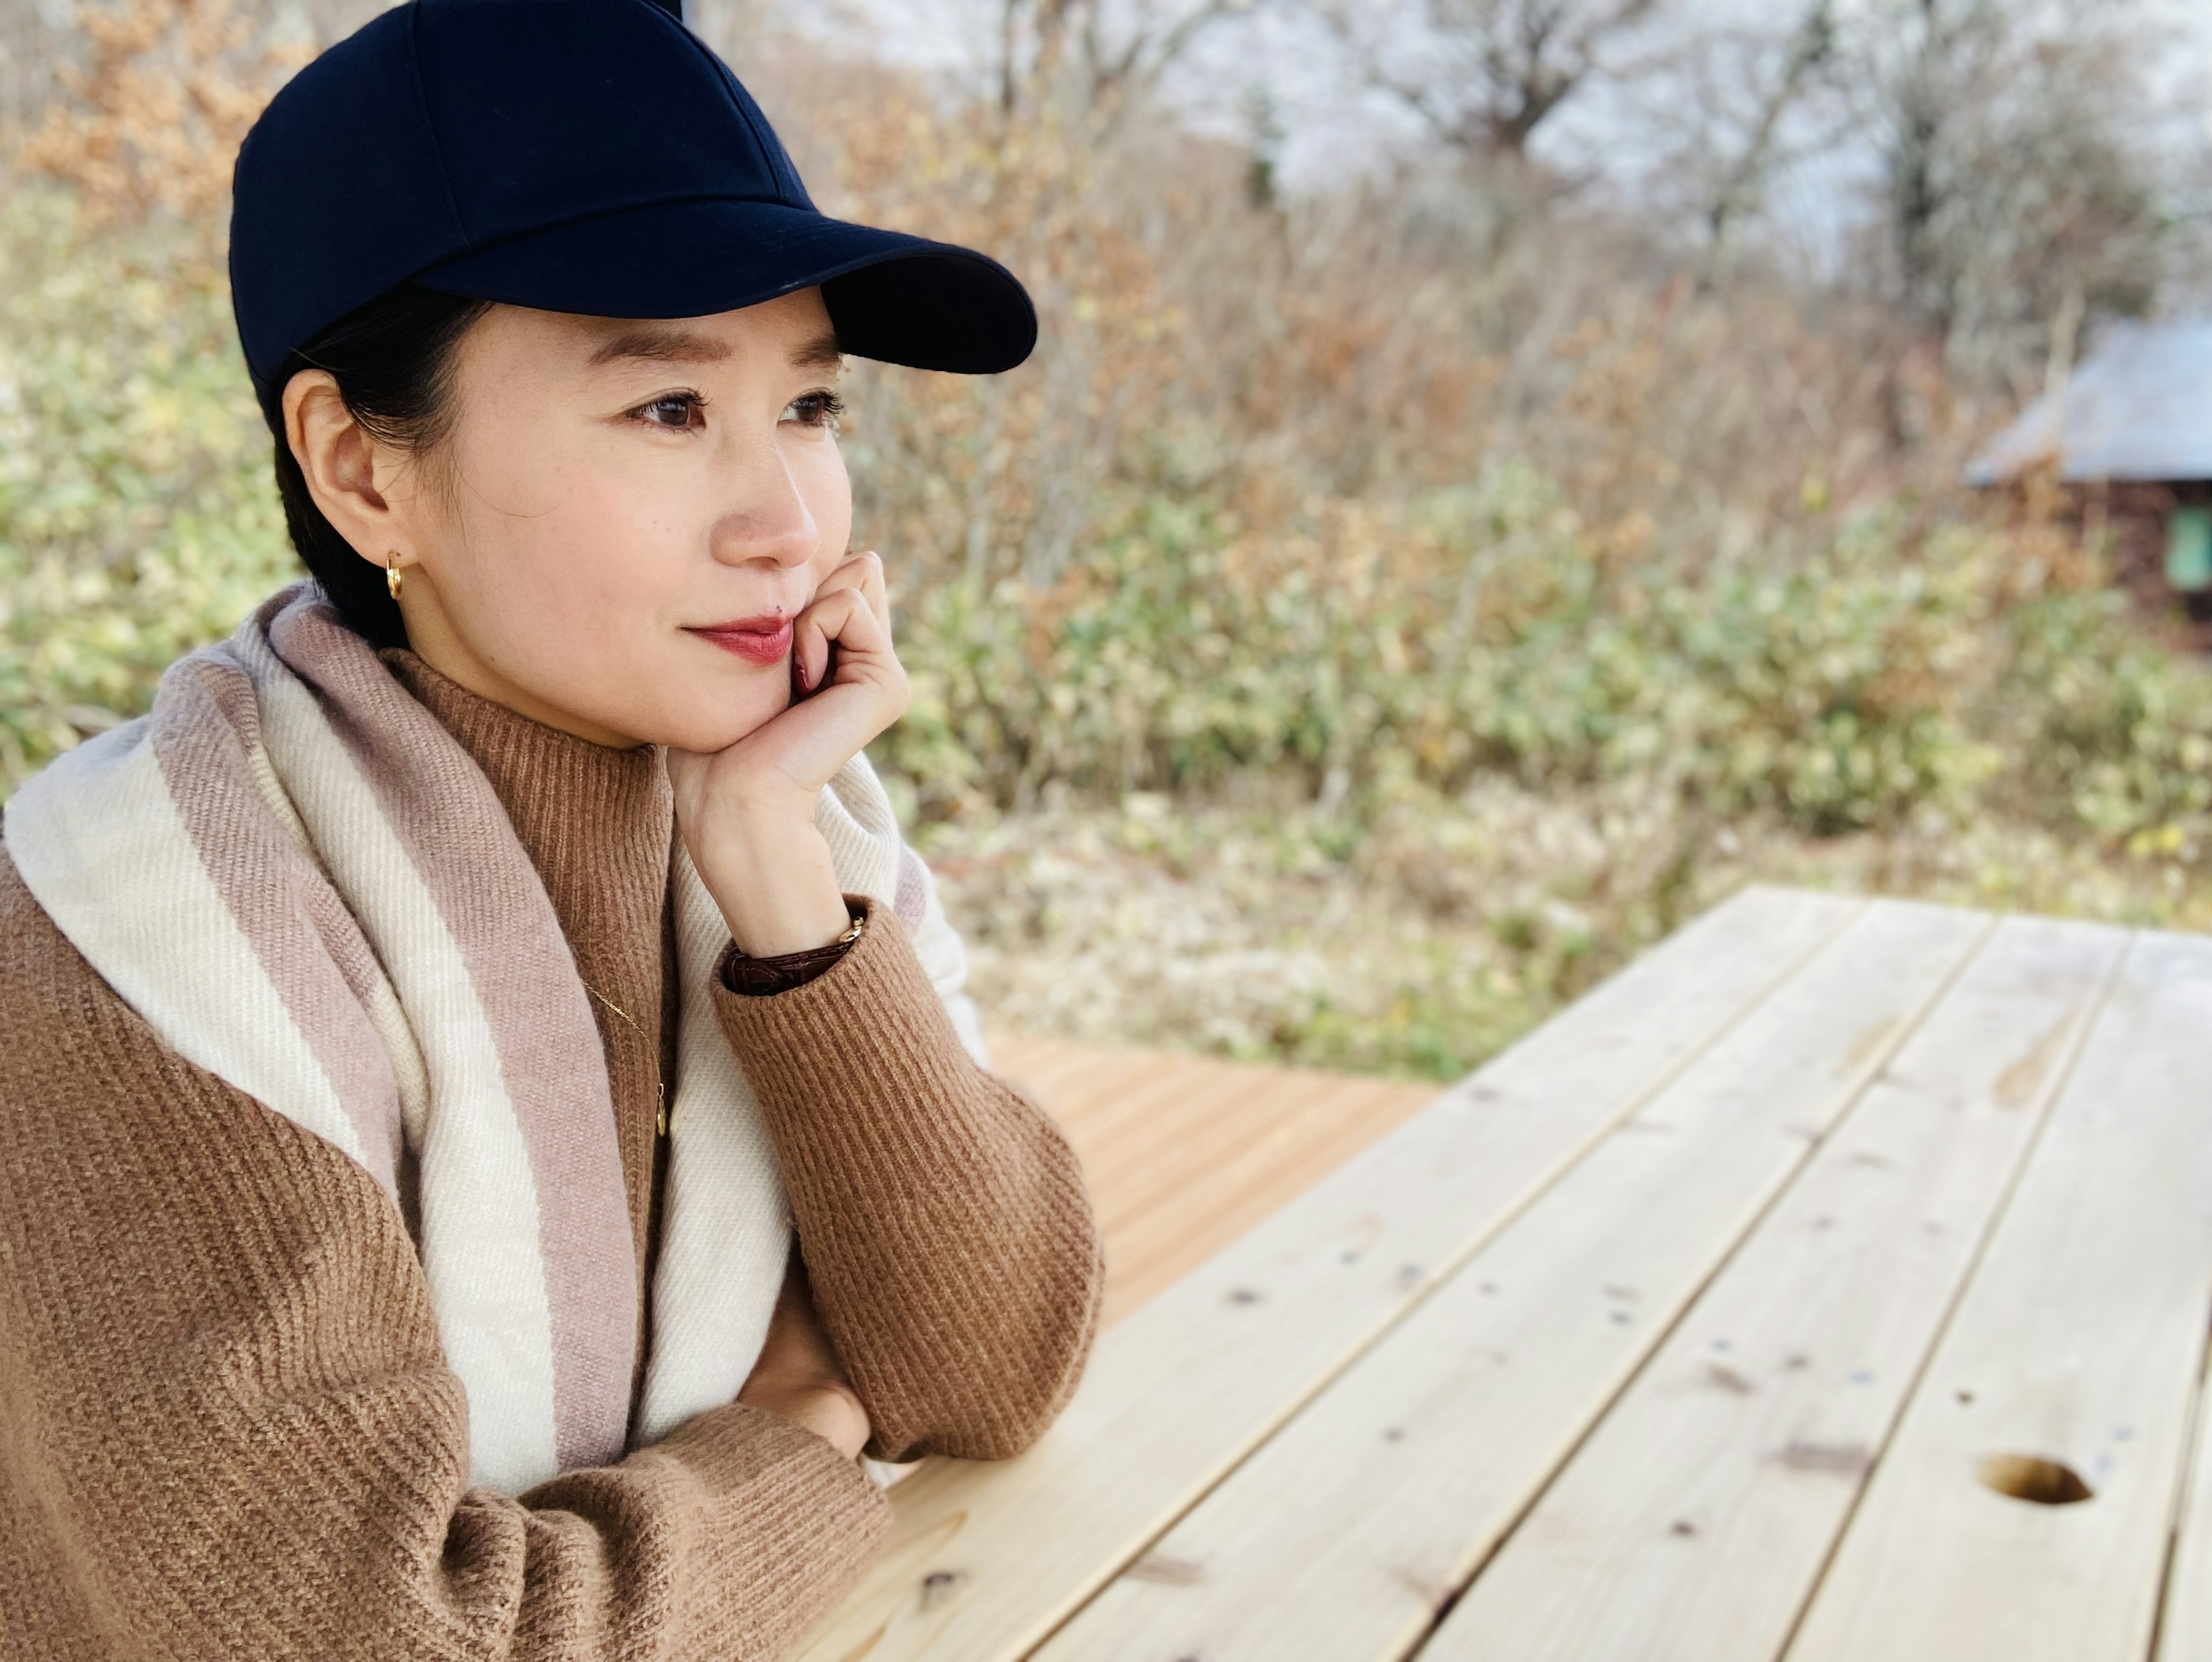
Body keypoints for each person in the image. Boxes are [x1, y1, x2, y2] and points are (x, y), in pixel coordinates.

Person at [0, 2, 1104, 1657]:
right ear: (364, 469)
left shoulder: (798, 824)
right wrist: (803, 1428)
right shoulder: (144, 917)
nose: (789, 524)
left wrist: (789, 899)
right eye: (669, 409)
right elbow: (376, 1639)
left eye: (810, 409)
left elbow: (992, 1366)